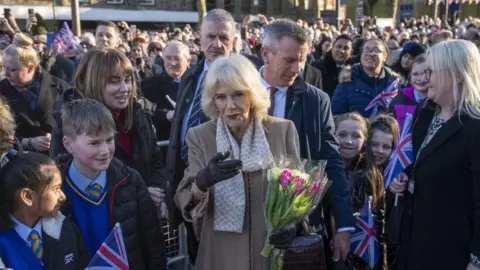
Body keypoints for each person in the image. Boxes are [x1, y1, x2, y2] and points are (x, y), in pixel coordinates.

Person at [174, 53, 300, 270]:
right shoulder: (200, 136)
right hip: (220, 255)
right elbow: (185, 204)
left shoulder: (282, 130)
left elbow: (298, 193)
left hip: (270, 252)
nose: (230, 105)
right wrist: (202, 182)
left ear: (252, 94)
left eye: (238, 95)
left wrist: (294, 225)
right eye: (221, 97)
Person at [259, 19, 354, 264]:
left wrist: (343, 225)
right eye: (289, 60)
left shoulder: (317, 101)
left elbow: (331, 161)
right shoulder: (238, 94)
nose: (297, 68)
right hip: (247, 226)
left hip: (299, 226)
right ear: (265, 54)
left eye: (302, 60)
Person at [388, 39, 480, 270]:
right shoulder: (424, 112)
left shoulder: (475, 127)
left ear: (457, 75)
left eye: (431, 71)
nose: (423, 78)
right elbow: (419, 160)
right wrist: (404, 175)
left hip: (451, 254)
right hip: (412, 244)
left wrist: (476, 259)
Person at [50, 49, 167, 215]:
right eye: (114, 82)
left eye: (128, 80)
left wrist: (159, 194)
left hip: (143, 215)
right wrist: (139, 193)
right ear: (94, 82)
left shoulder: (138, 113)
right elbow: (68, 181)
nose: (125, 88)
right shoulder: (70, 121)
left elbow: (156, 162)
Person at [55, 99, 166, 268]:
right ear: (68, 144)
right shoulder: (54, 187)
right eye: (94, 143)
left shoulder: (130, 180)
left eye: (109, 140)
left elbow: (152, 242)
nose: (105, 151)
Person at [165, 8, 236, 262]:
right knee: (198, 258)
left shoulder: (242, 80)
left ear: (234, 41)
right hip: (187, 184)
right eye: (211, 37)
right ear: (200, 39)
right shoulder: (191, 75)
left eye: (223, 38)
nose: (216, 44)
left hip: (221, 193)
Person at [0, 153, 90, 270]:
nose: (62, 196)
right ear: (27, 196)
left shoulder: (66, 229)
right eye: (55, 189)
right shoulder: (3, 243)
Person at [334, 112, 387, 269]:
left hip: (359, 252)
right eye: (342, 134)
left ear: (365, 141)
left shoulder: (370, 174)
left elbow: (377, 222)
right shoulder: (322, 169)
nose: (348, 141)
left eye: (356, 136)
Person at [0, 33, 69, 154]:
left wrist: (56, 138)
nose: (6, 73)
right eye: (3, 67)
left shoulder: (61, 87)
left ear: (31, 68)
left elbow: (77, 125)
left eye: (12, 69)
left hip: (58, 158)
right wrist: (28, 142)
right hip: (18, 162)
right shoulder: (2, 89)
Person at [332, 39, 399, 117]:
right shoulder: (348, 80)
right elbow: (335, 115)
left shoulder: (394, 83)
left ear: (385, 57)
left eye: (376, 50)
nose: (370, 53)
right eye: (366, 50)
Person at [142, 40, 191, 141]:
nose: (172, 63)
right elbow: (144, 113)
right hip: (165, 144)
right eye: (168, 58)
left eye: (177, 58)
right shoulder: (149, 85)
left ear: (188, 60)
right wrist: (166, 115)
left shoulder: (198, 83)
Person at [389, 54, 428, 126]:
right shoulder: (399, 99)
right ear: (410, 76)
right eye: (415, 74)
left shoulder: (438, 101)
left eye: (425, 74)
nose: (420, 78)